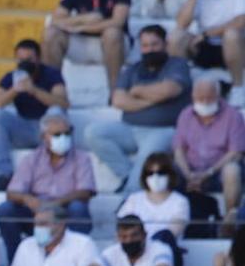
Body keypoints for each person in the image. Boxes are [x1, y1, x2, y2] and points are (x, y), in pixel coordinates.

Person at [83, 24, 191, 185]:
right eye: (145, 45)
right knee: (93, 133)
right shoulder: (133, 69)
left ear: (165, 44)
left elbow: (169, 90)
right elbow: (118, 100)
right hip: (129, 128)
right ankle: (126, 174)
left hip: (163, 130)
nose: (150, 49)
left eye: (155, 44)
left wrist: (137, 91)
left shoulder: (177, 65)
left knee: (145, 160)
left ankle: (128, 196)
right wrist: (155, 98)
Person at [0, 112, 96, 260]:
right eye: (57, 134)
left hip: (64, 211)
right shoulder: (32, 158)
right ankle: (15, 260)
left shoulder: (82, 158)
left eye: (67, 133)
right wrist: (28, 199)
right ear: (44, 137)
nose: (64, 138)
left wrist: (57, 203)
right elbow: (12, 192)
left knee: (78, 208)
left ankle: (76, 259)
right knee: (6, 209)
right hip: (37, 212)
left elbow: (85, 191)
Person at [0, 38, 70, 189]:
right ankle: (5, 174)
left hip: (47, 129)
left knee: (55, 111)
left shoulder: (51, 74)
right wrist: (14, 90)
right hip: (23, 128)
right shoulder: (11, 77)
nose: (25, 63)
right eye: (21, 59)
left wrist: (34, 90)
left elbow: (63, 103)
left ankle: (54, 172)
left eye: (29, 59)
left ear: (38, 59)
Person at [42, 0, 130, 90]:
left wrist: (81, 27)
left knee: (112, 32)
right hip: (82, 43)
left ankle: (116, 93)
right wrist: (85, 19)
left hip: (114, 44)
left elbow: (117, 21)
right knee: (51, 33)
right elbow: (56, 19)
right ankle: (53, 92)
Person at [170, 0, 245, 101]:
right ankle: (179, 85)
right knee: (176, 37)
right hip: (203, 45)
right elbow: (181, 24)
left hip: (233, 45)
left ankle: (238, 88)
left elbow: (240, 21)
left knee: (232, 34)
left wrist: (206, 35)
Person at [173, 77, 245, 230]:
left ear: (219, 97)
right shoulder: (185, 115)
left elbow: (236, 152)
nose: (205, 102)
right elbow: (179, 149)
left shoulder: (233, 116)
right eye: (200, 98)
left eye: (209, 98)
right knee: (164, 168)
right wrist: (188, 174)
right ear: (193, 97)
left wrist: (207, 173)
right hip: (190, 171)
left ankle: (229, 222)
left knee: (232, 170)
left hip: (218, 173)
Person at [5, 202, 100, 266]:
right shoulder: (26, 245)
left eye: (43, 224)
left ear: (61, 225)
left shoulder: (83, 244)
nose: (37, 229)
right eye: (36, 224)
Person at [118, 152, 189, 245]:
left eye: (161, 173)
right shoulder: (134, 199)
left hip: (165, 252)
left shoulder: (180, 202)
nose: (155, 177)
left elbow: (171, 233)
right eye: (150, 173)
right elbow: (123, 229)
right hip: (135, 250)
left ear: (170, 175)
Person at [82, 214, 176, 266]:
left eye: (134, 235)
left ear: (144, 235)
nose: (129, 240)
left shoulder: (161, 249)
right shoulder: (112, 251)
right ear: (118, 237)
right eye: (124, 236)